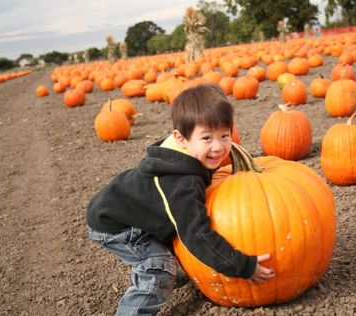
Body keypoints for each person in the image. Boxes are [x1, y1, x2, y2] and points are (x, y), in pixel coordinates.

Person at [86, 83, 275, 315]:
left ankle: (176, 271)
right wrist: (243, 265)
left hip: (126, 210)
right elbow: (196, 235)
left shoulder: (183, 152)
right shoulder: (183, 182)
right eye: (207, 138)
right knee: (158, 270)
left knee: (168, 253)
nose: (218, 146)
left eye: (225, 135)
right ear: (181, 138)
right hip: (116, 224)